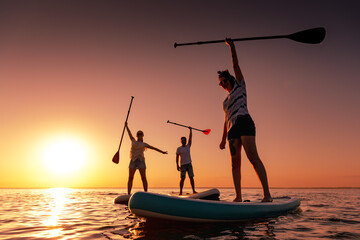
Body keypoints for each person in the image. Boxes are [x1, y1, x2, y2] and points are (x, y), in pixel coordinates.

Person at [218, 38, 272, 202]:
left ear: (231, 79)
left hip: (245, 122)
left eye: (224, 81)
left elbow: (235, 65)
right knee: (235, 163)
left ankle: (267, 195)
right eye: (220, 84)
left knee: (253, 158)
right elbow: (225, 120)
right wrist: (222, 139)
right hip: (232, 129)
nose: (222, 85)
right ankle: (238, 197)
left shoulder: (240, 85)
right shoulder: (225, 102)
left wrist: (232, 46)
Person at [125, 122, 167, 194]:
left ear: (143, 135)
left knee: (143, 178)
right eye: (138, 134)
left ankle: (146, 193)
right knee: (130, 178)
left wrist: (162, 152)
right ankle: (128, 194)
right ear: (137, 135)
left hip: (141, 161)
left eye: (141, 134)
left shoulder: (144, 144)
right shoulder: (133, 141)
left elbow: (154, 148)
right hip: (133, 161)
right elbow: (129, 133)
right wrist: (126, 126)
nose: (139, 135)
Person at [176, 127, 197, 195]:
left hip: (189, 164)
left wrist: (190, 130)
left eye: (184, 140)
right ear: (181, 141)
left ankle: (193, 190)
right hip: (183, 166)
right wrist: (177, 165)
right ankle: (181, 192)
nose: (183, 141)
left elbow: (190, 138)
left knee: (191, 178)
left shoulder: (188, 146)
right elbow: (177, 158)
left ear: (185, 141)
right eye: (182, 140)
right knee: (182, 179)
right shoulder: (179, 149)